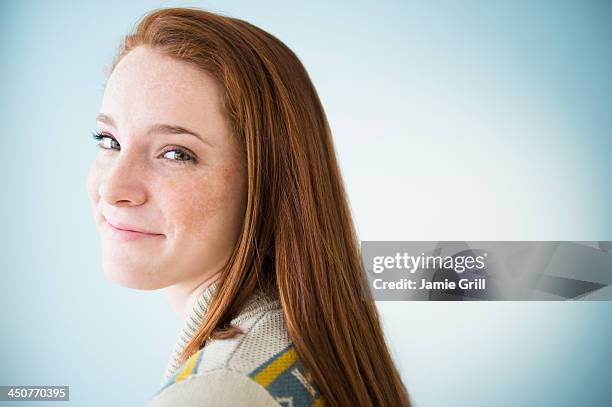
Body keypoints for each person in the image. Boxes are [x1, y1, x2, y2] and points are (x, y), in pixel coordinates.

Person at [86, 6, 413, 407]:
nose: (114, 188)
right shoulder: (297, 349)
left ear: (266, 181)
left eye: (176, 153)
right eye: (109, 141)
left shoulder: (219, 391)